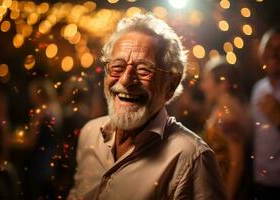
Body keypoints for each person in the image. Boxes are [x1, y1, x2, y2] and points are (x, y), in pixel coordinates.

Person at [68, 14, 226, 200]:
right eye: (117, 67)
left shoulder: (191, 160)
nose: (126, 80)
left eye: (144, 69)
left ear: (171, 84)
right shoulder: (90, 134)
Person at [200, 58, 253, 200]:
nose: (203, 86)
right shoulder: (221, 109)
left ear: (223, 84)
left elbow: (237, 164)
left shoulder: (228, 114)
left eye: (207, 80)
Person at [251, 26, 280, 199]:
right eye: (269, 47)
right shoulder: (258, 88)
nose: (274, 54)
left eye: (279, 49)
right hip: (260, 182)